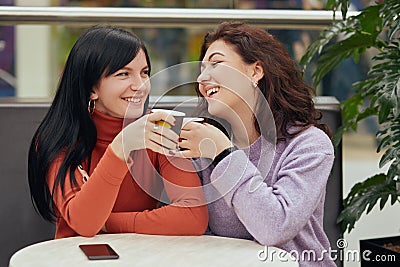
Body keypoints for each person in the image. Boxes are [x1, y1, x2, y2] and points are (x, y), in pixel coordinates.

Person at [28, 25, 208, 239]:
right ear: (91, 89)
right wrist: (121, 147)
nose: (140, 86)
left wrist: (106, 223)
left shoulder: (158, 128)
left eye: (144, 73)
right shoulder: (59, 138)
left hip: (140, 256)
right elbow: (85, 223)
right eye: (123, 74)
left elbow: (193, 218)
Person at [179, 21, 335, 266]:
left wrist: (223, 154)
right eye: (201, 68)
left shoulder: (309, 144)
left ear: (255, 72)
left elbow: (275, 227)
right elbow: (195, 231)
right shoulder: (204, 144)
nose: (202, 77)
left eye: (216, 63)